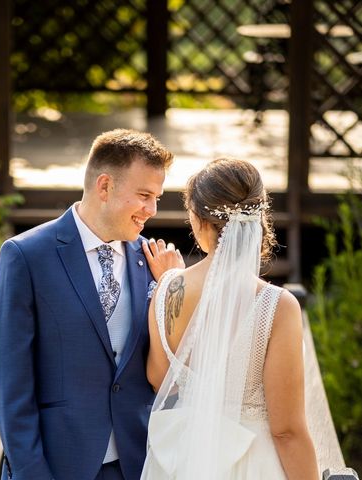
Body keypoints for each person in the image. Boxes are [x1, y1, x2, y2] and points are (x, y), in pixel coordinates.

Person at [0, 129, 182, 480]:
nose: (152, 210)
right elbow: (10, 384)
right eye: (143, 195)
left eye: (157, 197)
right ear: (104, 187)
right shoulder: (26, 256)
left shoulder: (153, 262)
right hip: (55, 467)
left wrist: (172, 288)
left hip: (137, 466)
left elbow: (171, 371)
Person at [141, 158, 319, 480]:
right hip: (252, 463)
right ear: (260, 219)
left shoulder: (166, 290)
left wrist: (171, 277)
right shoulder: (276, 306)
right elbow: (287, 431)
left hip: (183, 459)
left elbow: (158, 378)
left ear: (197, 220)